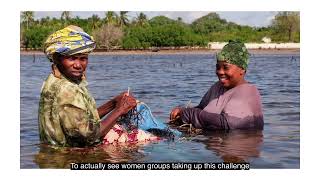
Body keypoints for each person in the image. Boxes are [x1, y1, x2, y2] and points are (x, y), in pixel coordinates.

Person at [39, 25, 156, 147]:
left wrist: (113, 104)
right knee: (146, 142)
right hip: (67, 157)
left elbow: (82, 120)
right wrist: (120, 110)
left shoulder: (53, 80)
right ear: (57, 58)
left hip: (55, 153)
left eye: (83, 59)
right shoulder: (67, 90)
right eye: (72, 59)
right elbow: (89, 135)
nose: (78, 65)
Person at [169, 40, 264, 130]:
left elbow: (229, 123)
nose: (220, 72)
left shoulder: (247, 92)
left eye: (226, 68)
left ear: (242, 69)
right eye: (218, 67)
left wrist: (189, 113)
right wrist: (181, 111)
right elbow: (201, 108)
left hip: (236, 144)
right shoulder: (217, 87)